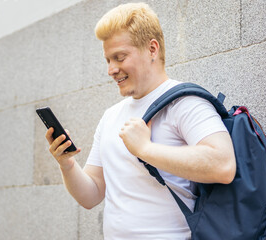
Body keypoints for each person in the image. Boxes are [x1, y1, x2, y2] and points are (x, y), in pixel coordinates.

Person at [45, 3, 236, 240]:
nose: (111, 70)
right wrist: (67, 165)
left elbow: (223, 166)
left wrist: (145, 149)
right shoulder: (110, 117)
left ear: (152, 49)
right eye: (107, 60)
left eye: (120, 57)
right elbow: (91, 195)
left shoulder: (185, 102)